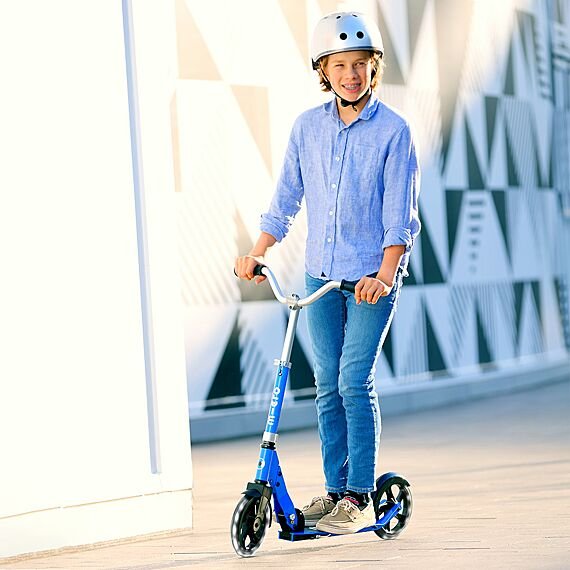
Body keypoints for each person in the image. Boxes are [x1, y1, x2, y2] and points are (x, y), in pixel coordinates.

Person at [234, 11, 421, 534]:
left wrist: (384, 275)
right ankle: (336, 491)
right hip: (321, 276)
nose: (351, 75)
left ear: (373, 67)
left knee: (352, 381)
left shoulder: (394, 131)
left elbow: (400, 216)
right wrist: (258, 251)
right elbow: (286, 199)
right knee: (325, 387)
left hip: (371, 279)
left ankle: (359, 495)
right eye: (339, 65)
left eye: (360, 64)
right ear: (323, 70)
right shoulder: (307, 128)